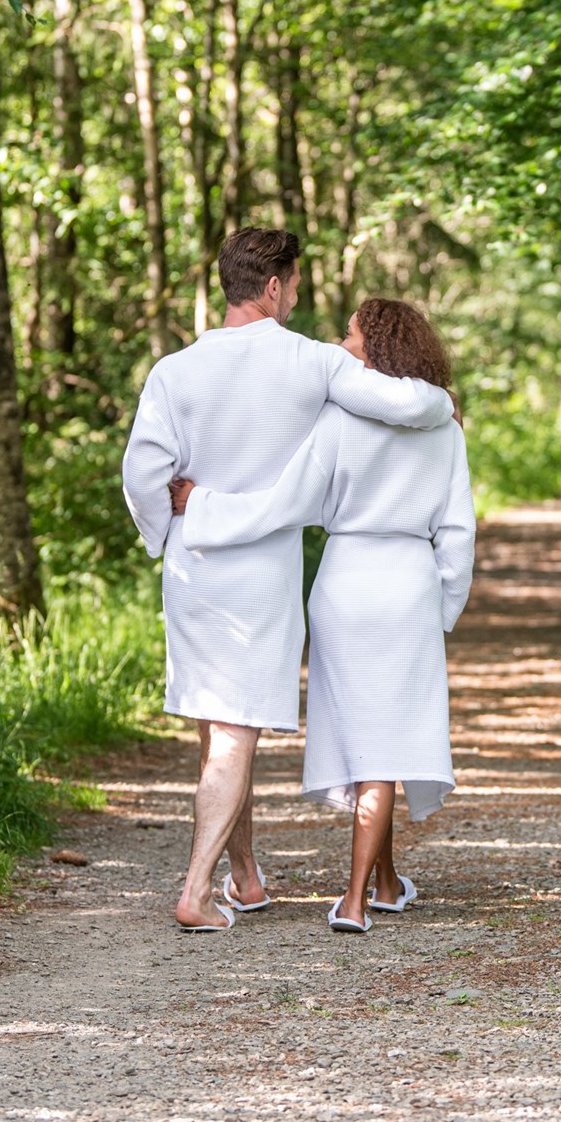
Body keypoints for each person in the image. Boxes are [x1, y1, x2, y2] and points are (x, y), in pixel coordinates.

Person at [121, 231, 454, 933]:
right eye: (296, 286)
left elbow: (141, 472)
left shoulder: (173, 370)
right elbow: (408, 404)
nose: (298, 298)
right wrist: (443, 407)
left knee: (219, 726)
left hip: (193, 562)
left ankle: (244, 878)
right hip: (263, 568)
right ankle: (198, 889)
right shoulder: (310, 361)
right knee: (237, 730)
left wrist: (168, 531)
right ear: (274, 287)